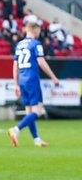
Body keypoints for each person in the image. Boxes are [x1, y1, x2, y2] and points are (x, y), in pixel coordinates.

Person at [8, 17, 59, 147]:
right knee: (38, 111)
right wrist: (53, 77)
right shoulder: (35, 44)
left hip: (23, 80)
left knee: (29, 112)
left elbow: (15, 66)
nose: (39, 33)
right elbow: (41, 62)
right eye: (39, 30)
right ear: (34, 30)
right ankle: (16, 129)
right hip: (32, 79)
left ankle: (36, 139)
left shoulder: (19, 45)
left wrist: (16, 84)